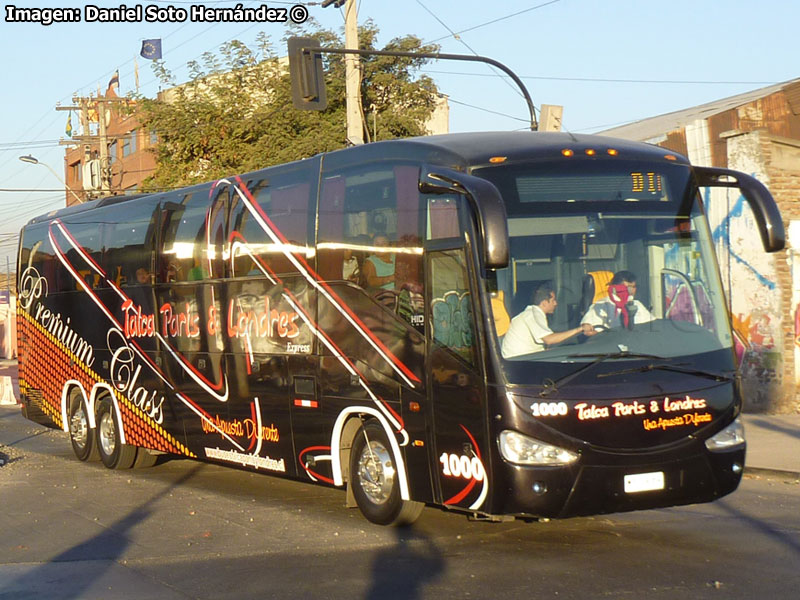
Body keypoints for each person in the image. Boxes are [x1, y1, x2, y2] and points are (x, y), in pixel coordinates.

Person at [502, 282, 595, 358]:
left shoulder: (534, 314)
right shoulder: (533, 314)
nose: (556, 303)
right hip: (519, 364)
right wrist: (580, 329)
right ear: (544, 303)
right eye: (553, 300)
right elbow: (549, 340)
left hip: (527, 360)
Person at [581, 270, 654, 330]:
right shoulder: (602, 306)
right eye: (628, 287)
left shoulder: (637, 304)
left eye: (634, 287)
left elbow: (651, 324)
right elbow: (591, 331)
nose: (631, 291)